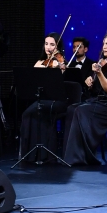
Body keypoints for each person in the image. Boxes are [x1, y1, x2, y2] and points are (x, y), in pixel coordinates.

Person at [62, 32, 107, 166]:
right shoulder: (105, 64)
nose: (104, 47)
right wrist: (90, 83)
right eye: (104, 44)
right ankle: (68, 156)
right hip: (103, 102)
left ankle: (82, 157)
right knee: (72, 109)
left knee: (82, 111)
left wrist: (99, 74)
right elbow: (98, 91)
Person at [20, 31, 70, 162]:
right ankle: (31, 155)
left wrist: (60, 68)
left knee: (37, 112)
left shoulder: (61, 62)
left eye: (52, 45)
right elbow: (32, 81)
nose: (48, 47)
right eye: (46, 44)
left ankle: (46, 155)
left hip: (57, 100)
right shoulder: (40, 62)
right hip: (42, 99)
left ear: (58, 47)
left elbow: (61, 86)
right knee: (29, 114)